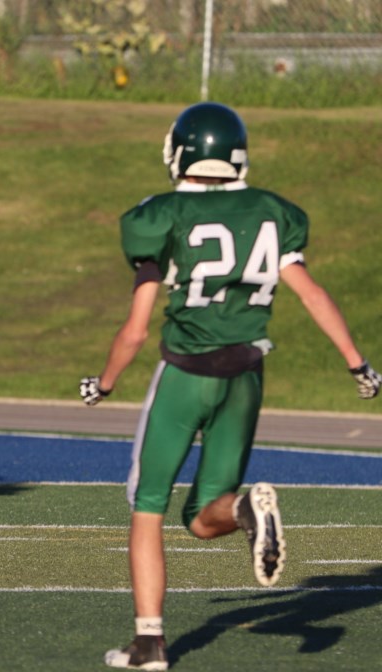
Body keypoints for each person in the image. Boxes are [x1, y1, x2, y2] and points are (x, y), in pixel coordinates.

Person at [78, 101, 381, 670]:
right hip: (245, 375)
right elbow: (311, 294)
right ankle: (244, 507)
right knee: (202, 517)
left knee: (148, 506)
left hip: (186, 373)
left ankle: (149, 643)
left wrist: (106, 382)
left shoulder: (160, 215)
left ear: (182, 152)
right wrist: (357, 364)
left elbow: (138, 327)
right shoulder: (271, 212)